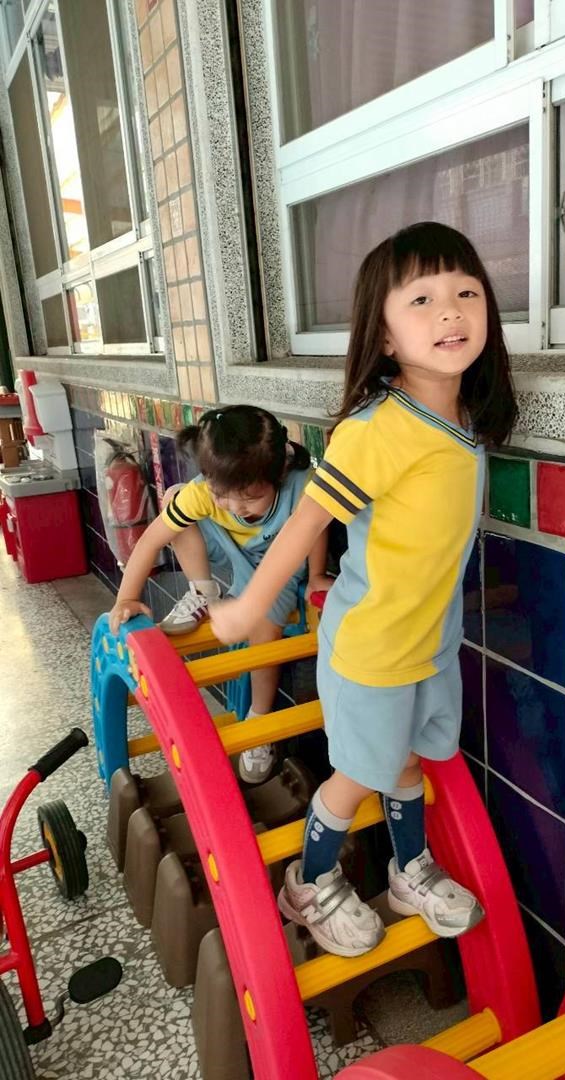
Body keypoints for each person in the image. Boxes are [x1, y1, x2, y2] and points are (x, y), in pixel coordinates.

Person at [211, 222, 517, 957]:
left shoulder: (459, 417)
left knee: (407, 761)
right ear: (382, 336)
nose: (450, 311)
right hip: (374, 650)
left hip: (430, 645)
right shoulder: (379, 429)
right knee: (355, 776)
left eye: (466, 292)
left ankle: (409, 871)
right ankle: (308, 883)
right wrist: (249, 607)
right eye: (422, 299)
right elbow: (307, 520)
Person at [108, 405, 333, 785]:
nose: (235, 507)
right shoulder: (207, 492)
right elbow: (151, 539)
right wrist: (125, 598)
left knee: (264, 628)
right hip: (230, 550)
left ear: (278, 473)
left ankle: (259, 718)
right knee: (176, 500)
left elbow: (315, 530)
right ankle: (203, 591)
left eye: (249, 499)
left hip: (278, 562)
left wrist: (314, 576)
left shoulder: (301, 485)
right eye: (222, 495)